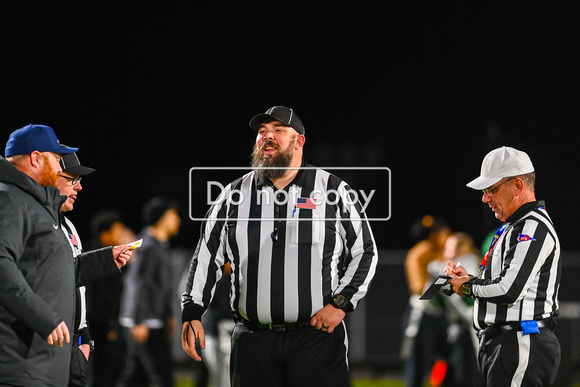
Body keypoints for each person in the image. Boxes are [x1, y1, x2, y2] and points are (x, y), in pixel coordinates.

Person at [181, 106, 378, 387]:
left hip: (315, 338)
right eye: (262, 132)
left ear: (299, 141)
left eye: (278, 131)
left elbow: (365, 252)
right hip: (252, 340)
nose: (267, 137)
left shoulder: (334, 190)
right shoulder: (232, 195)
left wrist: (341, 303)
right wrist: (192, 311)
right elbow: (206, 255)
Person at [445, 146, 561, 386]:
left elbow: (509, 289)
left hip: (521, 341)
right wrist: (469, 279)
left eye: (492, 189)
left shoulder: (531, 227)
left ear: (517, 185)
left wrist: (468, 286)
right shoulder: (515, 225)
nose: (485, 198)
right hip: (509, 343)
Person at [56, 152, 134, 386]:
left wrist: (84, 335)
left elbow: (75, 276)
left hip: (75, 341)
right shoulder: (34, 221)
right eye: (72, 178)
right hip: (49, 343)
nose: (79, 187)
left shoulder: (67, 225)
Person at [117, 196, 181, 387]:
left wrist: (168, 313)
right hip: (146, 322)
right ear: (163, 217)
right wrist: (139, 321)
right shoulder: (147, 246)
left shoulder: (158, 245)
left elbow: (160, 286)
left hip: (153, 319)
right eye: (174, 215)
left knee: (137, 376)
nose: (177, 220)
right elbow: (138, 285)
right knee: (160, 376)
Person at [86, 210, 135, 387]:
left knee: (116, 373)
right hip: (102, 332)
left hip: (112, 328)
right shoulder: (96, 259)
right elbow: (94, 298)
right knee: (102, 377)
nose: (121, 235)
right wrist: (107, 327)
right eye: (117, 231)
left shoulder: (112, 258)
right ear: (105, 235)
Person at [401, 216, 451, 387]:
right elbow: (421, 290)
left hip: (442, 310)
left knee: (448, 356)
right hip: (422, 311)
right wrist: (444, 280)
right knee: (418, 359)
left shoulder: (442, 251)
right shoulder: (419, 252)